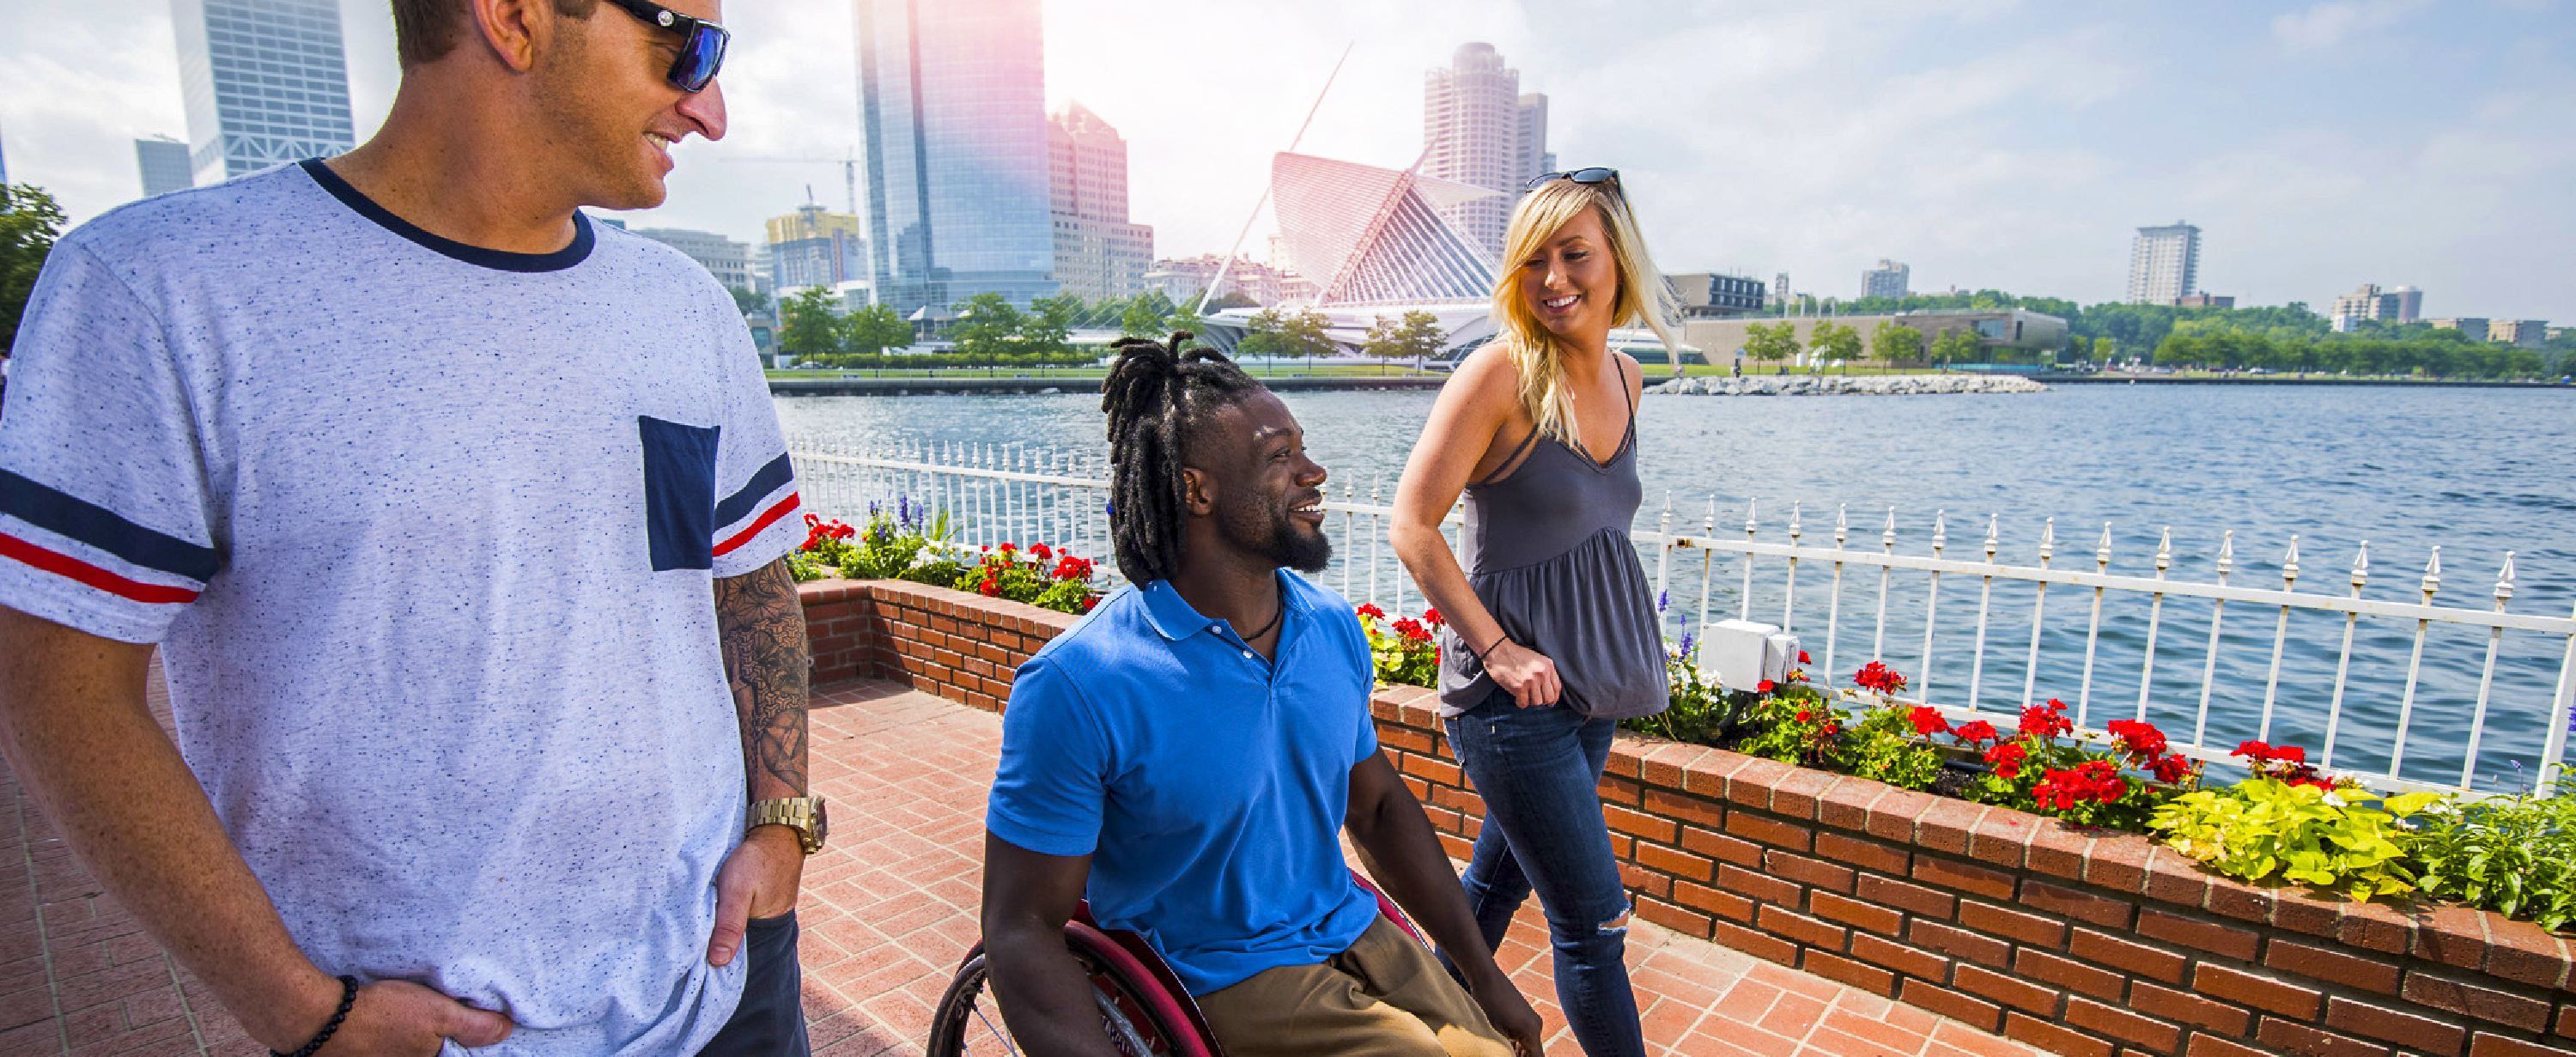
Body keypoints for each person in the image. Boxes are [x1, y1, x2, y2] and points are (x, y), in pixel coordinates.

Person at [0, 1, 823, 1054]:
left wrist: (781, 821)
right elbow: (58, 688)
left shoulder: (687, 308)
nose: (710, 108)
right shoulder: (163, 291)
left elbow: (750, 585)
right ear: (515, 17)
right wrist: (303, 1013)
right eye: (686, 45)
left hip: (722, 982)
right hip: (420, 1036)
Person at [979, 334, 1546, 1057]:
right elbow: (1021, 925)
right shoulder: (1082, 682)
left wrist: (1483, 973)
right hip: (1219, 975)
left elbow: (1374, 805)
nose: (1313, 472)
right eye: (1280, 457)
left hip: (1350, 931)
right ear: (1196, 489)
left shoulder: (1331, 627)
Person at [1388, 167, 1682, 1057]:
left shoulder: (1629, 378)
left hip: (1590, 690)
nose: (1554, 279)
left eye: (1574, 254)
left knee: (1492, 884)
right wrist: (1500, 648)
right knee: (1594, 926)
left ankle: (1402, 1029)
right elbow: (1414, 525)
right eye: (1534, 261)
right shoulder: (1501, 375)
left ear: (1617, 263)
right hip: (1511, 701)